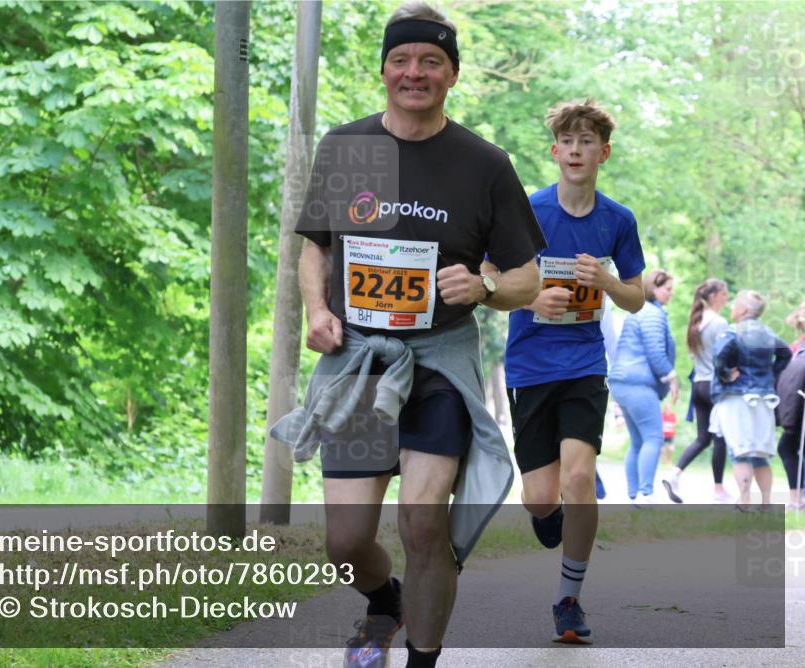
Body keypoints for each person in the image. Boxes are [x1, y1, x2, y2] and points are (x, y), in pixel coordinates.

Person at [271, 3, 546, 666]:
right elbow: (317, 248)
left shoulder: (483, 163)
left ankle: (423, 657)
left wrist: (483, 287)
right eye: (401, 60)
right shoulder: (350, 148)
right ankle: (384, 601)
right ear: (384, 70)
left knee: (423, 525)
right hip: (360, 364)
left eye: (430, 61)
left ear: (452, 74)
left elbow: (528, 279)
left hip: (438, 366)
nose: (414, 72)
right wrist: (317, 310)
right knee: (345, 545)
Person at [502, 99, 645, 644]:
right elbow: (490, 277)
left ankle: (568, 599)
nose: (577, 150)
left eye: (587, 142)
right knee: (541, 497)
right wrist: (532, 299)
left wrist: (607, 283)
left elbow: (636, 298)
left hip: (585, 363)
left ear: (603, 154)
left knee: (580, 478)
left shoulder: (618, 220)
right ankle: (549, 515)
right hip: (530, 365)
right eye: (568, 142)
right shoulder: (529, 211)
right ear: (555, 151)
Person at [710, 290, 792, 511]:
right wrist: (771, 375)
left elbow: (718, 357)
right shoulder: (768, 333)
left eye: (735, 304)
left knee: (740, 452)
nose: (731, 307)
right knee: (760, 454)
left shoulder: (732, 331)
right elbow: (786, 354)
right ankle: (765, 503)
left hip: (737, 399)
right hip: (764, 399)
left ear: (744, 309)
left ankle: (745, 502)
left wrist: (725, 374)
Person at [608, 269, 678, 505]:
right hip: (638, 382)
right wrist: (671, 376)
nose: (671, 293)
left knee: (638, 442)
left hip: (621, 382)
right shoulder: (652, 313)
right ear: (653, 288)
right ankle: (646, 493)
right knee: (654, 437)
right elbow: (655, 352)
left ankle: (634, 494)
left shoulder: (638, 311)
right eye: (667, 289)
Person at [662, 279, 733, 504]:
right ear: (713, 296)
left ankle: (674, 476)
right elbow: (725, 357)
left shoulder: (697, 322)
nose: (727, 298)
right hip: (715, 385)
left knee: (703, 438)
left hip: (699, 385)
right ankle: (719, 490)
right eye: (724, 294)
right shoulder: (720, 323)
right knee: (719, 437)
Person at [776, 341, 805, 509]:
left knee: (786, 447)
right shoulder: (799, 348)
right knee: (786, 447)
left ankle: (797, 499)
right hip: (798, 410)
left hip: (796, 409)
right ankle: (797, 499)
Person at [661, 402, 677, 466]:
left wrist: (671, 427)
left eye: (669, 408)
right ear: (665, 408)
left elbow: (674, 424)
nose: (668, 409)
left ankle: (669, 460)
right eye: (666, 408)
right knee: (662, 449)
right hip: (663, 435)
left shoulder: (673, 415)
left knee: (671, 449)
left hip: (670, 435)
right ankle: (664, 461)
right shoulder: (662, 415)